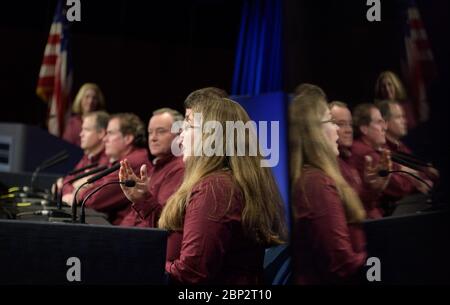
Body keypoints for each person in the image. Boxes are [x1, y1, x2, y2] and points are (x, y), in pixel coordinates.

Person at [121, 97, 287, 284]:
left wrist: (143, 262)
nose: (180, 136)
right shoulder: (221, 182)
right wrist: (144, 200)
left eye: (189, 127)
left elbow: (190, 274)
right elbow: (181, 234)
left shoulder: (215, 189)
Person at [289, 93, 367, 284]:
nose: (337, 130)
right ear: (314, 132)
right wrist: (380, 259)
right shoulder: (316, 184)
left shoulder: (319, 177)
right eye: (331, 122)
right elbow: (343, 264)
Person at [65, 113, 151, 226]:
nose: (105, 139)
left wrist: (77, 194)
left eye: (110, 133)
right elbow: (67, 183)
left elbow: (94, 199)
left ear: (128, 138)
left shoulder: (131, 162)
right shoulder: (121, 159)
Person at [119, 108, 185, 227]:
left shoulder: (179, 169)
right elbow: (133, 216)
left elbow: (162, 220)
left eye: (160, 131)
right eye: (150, 132)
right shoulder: (155, 167)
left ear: (179, 135)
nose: (153, 138)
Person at [350, 103, 418, 218]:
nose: (385, 127)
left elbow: (401, 170)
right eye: (379, 122)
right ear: (364, 129)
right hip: (374, 218)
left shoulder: (375, 148)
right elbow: (400, 188)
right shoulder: (366, 153)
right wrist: (414, 179)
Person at [329, 101, 390, 216]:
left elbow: (362, 203)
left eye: (350, 124)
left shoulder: (348, 158)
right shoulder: (332, 165)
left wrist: (372, 189)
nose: (349, 130)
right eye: (341, 124)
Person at [376, 99, 438, 188]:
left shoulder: (400, 145)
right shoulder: (383, 151)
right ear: (385, 122)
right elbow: (400, 186)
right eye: (398, 117)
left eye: (403, 117)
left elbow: (421, 173)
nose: (404, 121)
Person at [58, 111, 110, 198]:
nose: (81, 134)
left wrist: (69, 188)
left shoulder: (108, 159)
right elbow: (66, 182)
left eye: (86, 130)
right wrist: (73, 187)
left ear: (101, 133)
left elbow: (90, 192)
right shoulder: (88, 156)